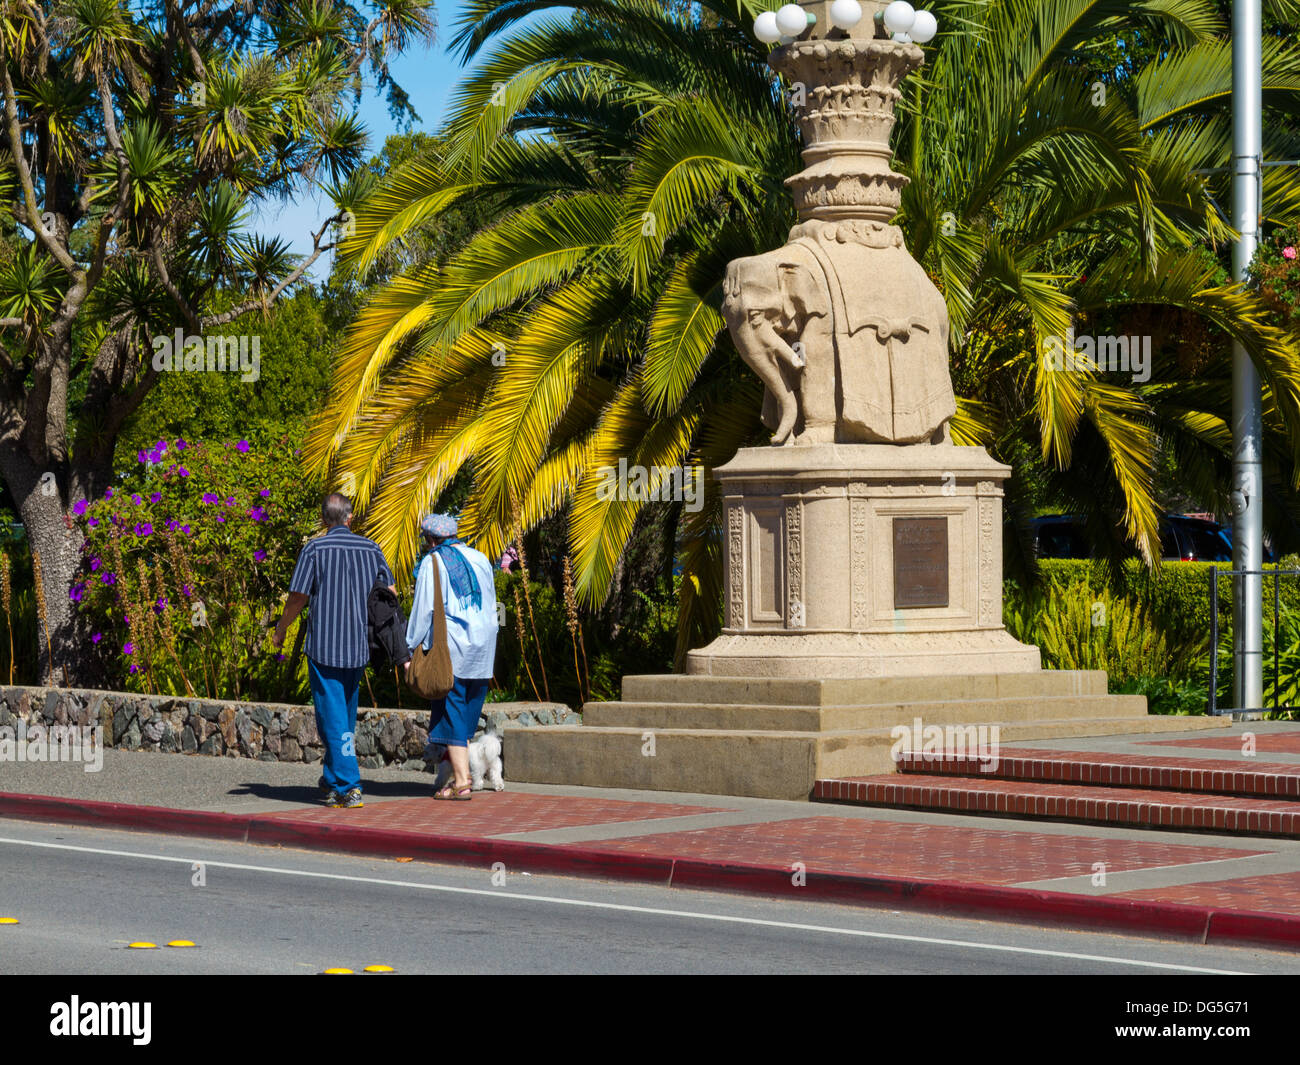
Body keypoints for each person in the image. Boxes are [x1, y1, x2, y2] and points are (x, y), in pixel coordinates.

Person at [273, 493, 395, 809]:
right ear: (349, 517)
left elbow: (298, 597)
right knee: (342, 716)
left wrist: (282, 628)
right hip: (358, 645)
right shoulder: (371, 548)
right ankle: (332, 780)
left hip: (325, 645)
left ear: (324, 519)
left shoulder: (315, 549)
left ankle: (350, 785)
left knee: (333, 716)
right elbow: (391, 591)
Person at [406, 513, 499, 800]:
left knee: (453, 712)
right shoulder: (480, 558)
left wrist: (411, 647)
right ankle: (455, 780)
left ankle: (462, 781)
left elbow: (423, 609)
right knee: (467, 714)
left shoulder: (432, 562)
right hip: (484, 648)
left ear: (430, 539)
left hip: (454, 649)